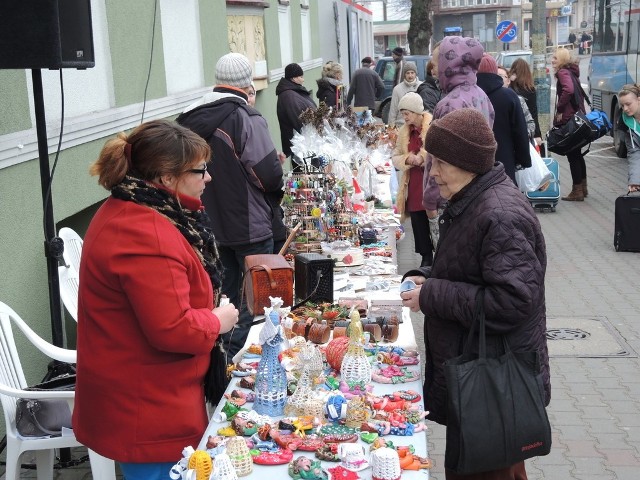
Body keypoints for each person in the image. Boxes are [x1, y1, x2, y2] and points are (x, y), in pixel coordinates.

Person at [73, 120, 240, 479]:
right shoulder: (144, 230)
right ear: (165, 177)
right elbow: (173, 329)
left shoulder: (138, 208)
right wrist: (219, 319)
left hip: (149, 396)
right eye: (200, 170)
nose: (208, 178)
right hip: (147, 407)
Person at [400, 108, 549, 480]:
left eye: (439, 163)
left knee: (488, 468)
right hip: (480, 376)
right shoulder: (475, 202)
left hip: (493, 381)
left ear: (465, 163)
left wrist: (432, 296)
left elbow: (512, 301)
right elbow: (467, 265)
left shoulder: (499, 213)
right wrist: (426, 278)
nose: (432, 172)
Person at [177, 52, 284, 359]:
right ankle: (231, 367)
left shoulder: (187, 117)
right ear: (246, 82)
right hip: (250, 225)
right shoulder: (245, 117)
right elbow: (268, 174)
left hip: (205, 223)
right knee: (254, 302)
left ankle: (217, 360)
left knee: (220, 297)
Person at [423, 36, 494, 248]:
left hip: (451, 196)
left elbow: (438, 159)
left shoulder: (449, 104)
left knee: (449, 257)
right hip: (477, 189)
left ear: (449, 65)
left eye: (437, 63)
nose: (433, 69)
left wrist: (430, 199)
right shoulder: (480, 95)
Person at [391, 92, 434, 267]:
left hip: (432, 181)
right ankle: (425, 257)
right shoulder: (404, 132)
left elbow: (436, 150)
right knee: (417, 220)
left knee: (433, 218)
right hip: (414, 182)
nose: (404, 117)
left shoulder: (431, 127)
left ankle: (438, 252)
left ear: (417, 111)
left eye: (406, 113)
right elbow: (395, 156)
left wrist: (423, 157)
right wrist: (408, 159)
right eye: (402, 113)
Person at [476, 54, 531, 184]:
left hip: (475, 164)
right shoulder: (509, 96)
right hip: (504, 161)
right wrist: (523, 159)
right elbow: (520, 131)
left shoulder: (469, 95)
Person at [552, 47, 588, 201]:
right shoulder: (571, 71)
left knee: (572, 155)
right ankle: (583, 188)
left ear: (561, 60)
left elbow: (569, 90)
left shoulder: (563, 72)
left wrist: (560, 107)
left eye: (555, 58)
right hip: (578, 116)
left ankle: (577, 191)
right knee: (578, 154)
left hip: (569, 118)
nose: (552, 61)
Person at [276, 62, 317, 163]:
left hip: (304, 144)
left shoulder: (293, 92)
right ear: (293, 78)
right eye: (301, 77)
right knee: (305, 175)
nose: (303, 79)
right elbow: (299, 121)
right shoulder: (289, 96)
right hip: (301, 146)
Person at [508, 58, 543, 146]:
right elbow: (533, 113)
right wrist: (537, 134)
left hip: (511, 128)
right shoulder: (530, 90)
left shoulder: (509, 88)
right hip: (526, 128)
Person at [499, 66, 535, 140]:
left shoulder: (518, 100)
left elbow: (530, 124)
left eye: (501, 76)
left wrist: (521, 136)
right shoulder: (485, 99)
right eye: (495, 76)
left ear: (508, 81)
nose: (498, 79)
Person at [616, 84, 640, 193]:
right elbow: (634, 152)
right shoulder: (626, 122)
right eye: (622, 105)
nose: (625, 109)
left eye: (628, 104)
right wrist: (635, 180)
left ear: (638, 100)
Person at [387, 61, 419, 126]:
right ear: (404, 74)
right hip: (401, 125)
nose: (410, 75)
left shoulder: (421, 86)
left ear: (415, 74)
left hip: (417, 125)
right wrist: (391, 127)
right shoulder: (397, 89)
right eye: (408, 73)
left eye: (412, 73)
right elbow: (393, 110)